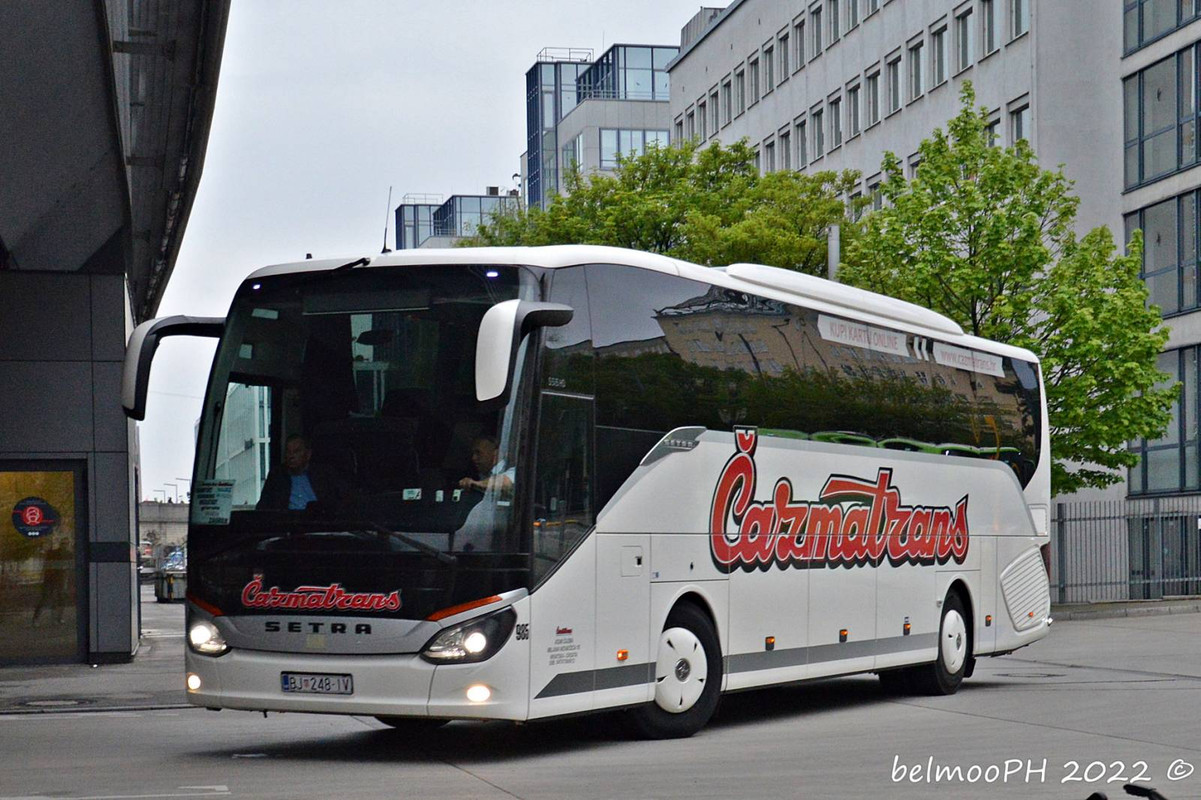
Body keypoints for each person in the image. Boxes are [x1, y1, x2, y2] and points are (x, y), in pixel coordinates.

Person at [453, 436, 516, 552]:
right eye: (473, 453)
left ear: (496, 453)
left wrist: (475, 484)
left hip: (501, 548)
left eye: (478, 453)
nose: (474, 458)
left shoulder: (513, 471)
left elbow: (504, 483)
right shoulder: (481, 475)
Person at [257, 434, 347, 511]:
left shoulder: (323, 474)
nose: (291, 456)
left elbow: (342, 501)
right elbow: (263, 508)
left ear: (308, 454)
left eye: (296, 452)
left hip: (318, 522)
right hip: (288, 523)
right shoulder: (277, 476)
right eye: (288, 452)